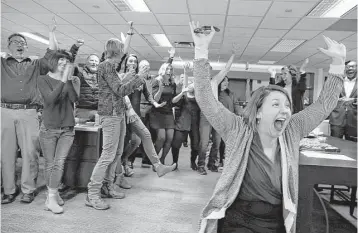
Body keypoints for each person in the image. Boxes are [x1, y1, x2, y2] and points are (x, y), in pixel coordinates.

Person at [189, 21, 346, 233]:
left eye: (287, 106)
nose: (285, 110)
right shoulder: (238, 129)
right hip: (238, 218)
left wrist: (338, 64)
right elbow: (206, 98)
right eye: (276, 104)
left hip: (276, 221)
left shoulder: (292, 129)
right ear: (259, 111)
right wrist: (200, 50)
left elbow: (324, 105)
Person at [0, 19, 77, 204]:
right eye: (16, 42)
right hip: (4, 112)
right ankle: (9, 189)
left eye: (22, 43)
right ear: (8, 46)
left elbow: (52, 53)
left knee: (29, 153)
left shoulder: (35, 65)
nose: (19, 45)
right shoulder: (2, 64)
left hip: (29, 112)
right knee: (6, 153)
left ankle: (28, 189)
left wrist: (51, 33)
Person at [85, 38, 146, 210]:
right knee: (107, 155)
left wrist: (129, 77)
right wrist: (139, 79)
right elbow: (120, 90)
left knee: (117, 153)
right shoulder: (106, 66)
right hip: (110, 115)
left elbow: (117, 86)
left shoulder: (111, 67)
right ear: (116, 52)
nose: (124, 56)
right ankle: (92, 193)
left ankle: (107, 185)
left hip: (118, 114)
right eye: (122, 52)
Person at [38, 51, 80, 214]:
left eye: (67, 60)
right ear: (53, 61)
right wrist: (62, 80)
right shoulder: (42, 79)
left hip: (67, 129)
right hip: (49, 128)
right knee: (50, 164)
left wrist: (68, 79)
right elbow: (50, 100)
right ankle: (52, 197)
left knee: (59, 162)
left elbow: (74, 99)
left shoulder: (69, 80)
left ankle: (52, 196)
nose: (64, 62)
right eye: (61, 59)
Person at [197, 43, 239, 175]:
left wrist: (233, 55)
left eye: (209, 68)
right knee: (204, 143)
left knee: (217, 141)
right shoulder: (200, 84)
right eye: (205, 68)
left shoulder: (215, 81)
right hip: (205, 116)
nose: (207, 70)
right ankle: (201, 165)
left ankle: (212, 164)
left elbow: (226, 69)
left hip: (217, 116)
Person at [149, 59, 188, 165]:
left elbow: (172, 101)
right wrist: (160, 90)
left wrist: (182, 94)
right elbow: (154, 100)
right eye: (167, 68)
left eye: (171, 69)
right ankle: (155, 161)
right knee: (161, 138)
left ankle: (162, 159)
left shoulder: (172, 83)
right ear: (163, 69)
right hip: (157, 113)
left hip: (168, 113)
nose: (169, 70)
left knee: (170, 139)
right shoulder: (156, 81)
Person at [171, 63, 201, 170]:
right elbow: (173, 101)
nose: (191, 84)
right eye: (190, 83)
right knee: (176, 144)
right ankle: (175, 163)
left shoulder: (199, 97)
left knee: (196, 146)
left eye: (193, 83)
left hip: (195, 124)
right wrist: (185, 71)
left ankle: (193, 162)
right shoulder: (183, 94)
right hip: (183, 122)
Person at [329, 60, 357, 141]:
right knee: (334, 145)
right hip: (337, 119)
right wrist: (337, 99)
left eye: (352, 66)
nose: (350, 68)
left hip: (354, 120)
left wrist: (354, 100)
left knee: (353, 147)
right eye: (348, 67)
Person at [217, 76, 241, 167]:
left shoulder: (231, 94)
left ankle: (225, 160)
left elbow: (236, 106)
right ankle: (219, 160)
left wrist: (241, 115)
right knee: (219, 142)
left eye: (227, 81)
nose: (226, 83)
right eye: (224, 81)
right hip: (220, 121)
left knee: (228, 142)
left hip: (231, 121)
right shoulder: (216, 93)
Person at [74, 54, 100, 122]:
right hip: (82, 112)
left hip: (98, 113)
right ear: (86, 63)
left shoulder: (102, 77)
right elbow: (70, 65)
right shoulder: (79, 74)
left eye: (96, 61)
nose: (94, 62)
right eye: (91, 60)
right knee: (82, 132)